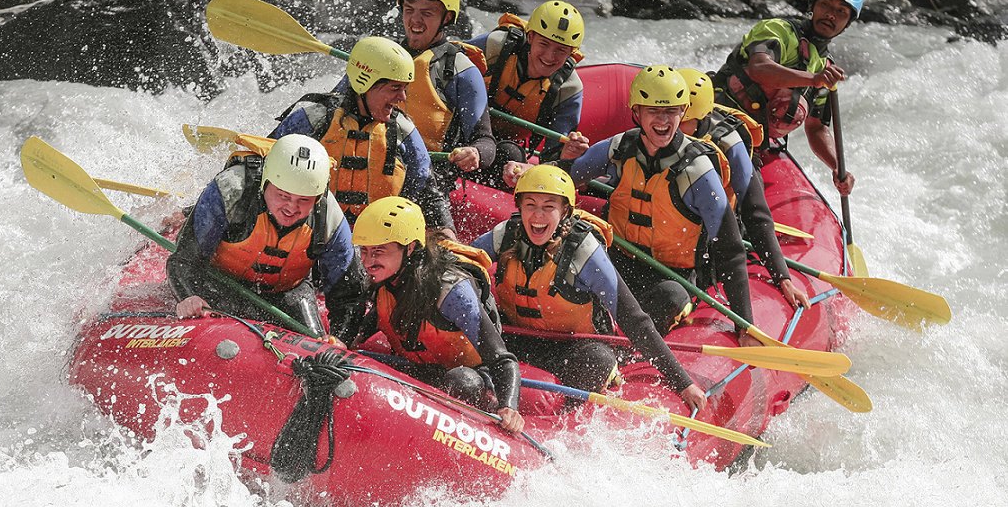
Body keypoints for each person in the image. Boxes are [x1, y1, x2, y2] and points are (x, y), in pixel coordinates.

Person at [551, 65, 761, 345]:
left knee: (671, 297)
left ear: (683, 112)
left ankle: (626, 347)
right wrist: (530, 172)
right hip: (616, 260)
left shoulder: (698, 172)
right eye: (654, 111)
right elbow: (565, 175)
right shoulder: (620, 147)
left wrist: (744, 323)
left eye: (672, 111)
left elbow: (731, 249)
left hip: (669, 276)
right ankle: (578, 334)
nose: (663, 121)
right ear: (636, 112)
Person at [471, 165, 707, 413]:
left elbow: (633, 318)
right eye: (530, 205)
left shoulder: (583, 250)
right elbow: (463, 268)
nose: (537, 216)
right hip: (516, 338)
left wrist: (683, 383)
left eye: (548, 206)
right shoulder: (504, 235)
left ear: (564, 211)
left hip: (573, 347)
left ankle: (562, 418)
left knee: (598, 360)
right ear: (519, 207)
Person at [351, 197, 524, 435]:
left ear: (410, 247)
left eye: (379, 251)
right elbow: (381, 314)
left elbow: (503, 360)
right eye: (364, 250)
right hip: (418, 370)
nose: (368, 261)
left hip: (469, 377)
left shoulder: (452, 291)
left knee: (463, 381)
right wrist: (353, 336)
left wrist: (509, 407)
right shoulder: (385, 275)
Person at [167, 134, 364, 344]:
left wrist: (340, 338)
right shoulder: (232, 191)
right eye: (283, 195)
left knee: (316, 350)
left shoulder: (329, 218)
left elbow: (348, 295)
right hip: (217, 283)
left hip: (288, 294)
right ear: (265, 183)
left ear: (317, 198)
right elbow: (183, 261)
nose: (291, 207)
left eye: (303, 200)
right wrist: (188, 296)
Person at [269, 35, 455, 233]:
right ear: (364, 83)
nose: (402, 98)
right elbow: (267, 166)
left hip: (377, 240)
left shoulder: (403, 131)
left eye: (404, 89)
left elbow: (429, 195)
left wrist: (446, 235)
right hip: (313, 232)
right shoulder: (314, 119)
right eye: (395, 88)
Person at [711, 0, 863, 196]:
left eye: (841, 12)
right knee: (752, 207)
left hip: (752, 139)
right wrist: (813, 78)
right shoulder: (779, 30)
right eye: (825, 5)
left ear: (848, 23)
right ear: (812, 5)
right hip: (718, 117)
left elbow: (817, 127)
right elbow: (759, 68)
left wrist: (837, 166)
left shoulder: (825, 66)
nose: (831, 15)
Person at [678, 68, 810, 310]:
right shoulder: (654, 133)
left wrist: (783, 278)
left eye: (679, 119)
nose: (670, 125)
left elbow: (756, 214)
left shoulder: (729, 146)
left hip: (709, 244)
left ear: (698, 118)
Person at [466, 0, 590, 188]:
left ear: (571, 53)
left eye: (561, 50)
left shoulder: (568, 89)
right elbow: (444, 64)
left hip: (501, 148)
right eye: (544, 44)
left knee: (513, 156)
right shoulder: (496, 46)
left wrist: (567, 155)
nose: (550, 56)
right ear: (530, 37)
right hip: (463, 129)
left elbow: (552, 158)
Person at [394, 0, 496, 181]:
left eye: (427, 13)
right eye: (409, 10)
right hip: (375, 167)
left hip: (428, 179)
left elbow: (485, 141)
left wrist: (475, 152)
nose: (415, 20)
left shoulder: (461, 70)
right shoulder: (381, 55)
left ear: (447, 17)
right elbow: (336, 108)